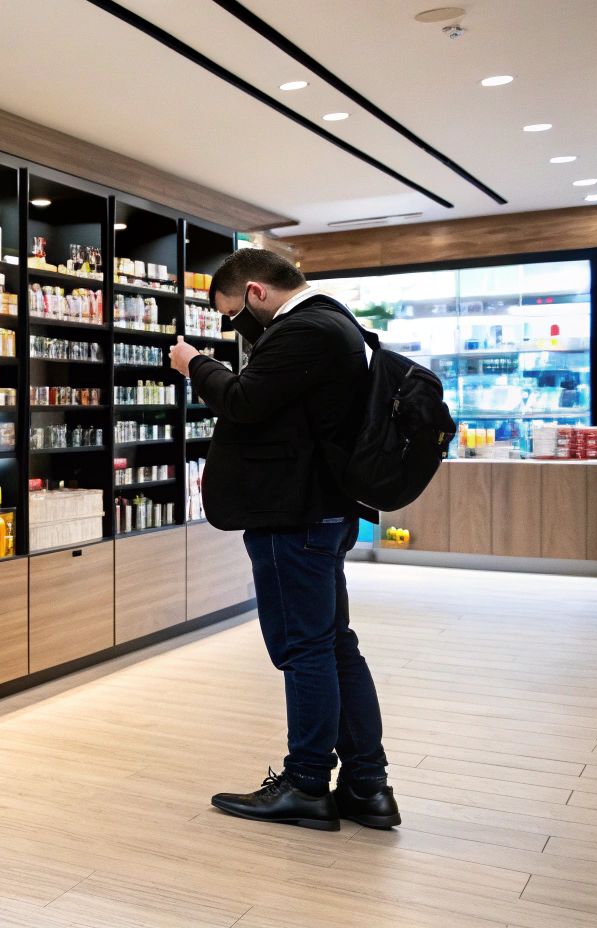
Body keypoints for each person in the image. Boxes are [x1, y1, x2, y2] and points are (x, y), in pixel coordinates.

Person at [169, 248, 400, 833]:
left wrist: (195, 364)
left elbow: (244, 402)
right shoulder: (332, 322)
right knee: (330, 643)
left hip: (293, 517)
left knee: (304, 648)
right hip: (314, 511)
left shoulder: (306, 329)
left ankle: (305, 785)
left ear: (255, 292)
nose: (232, 326)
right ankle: (366, 787)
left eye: (230, 313)